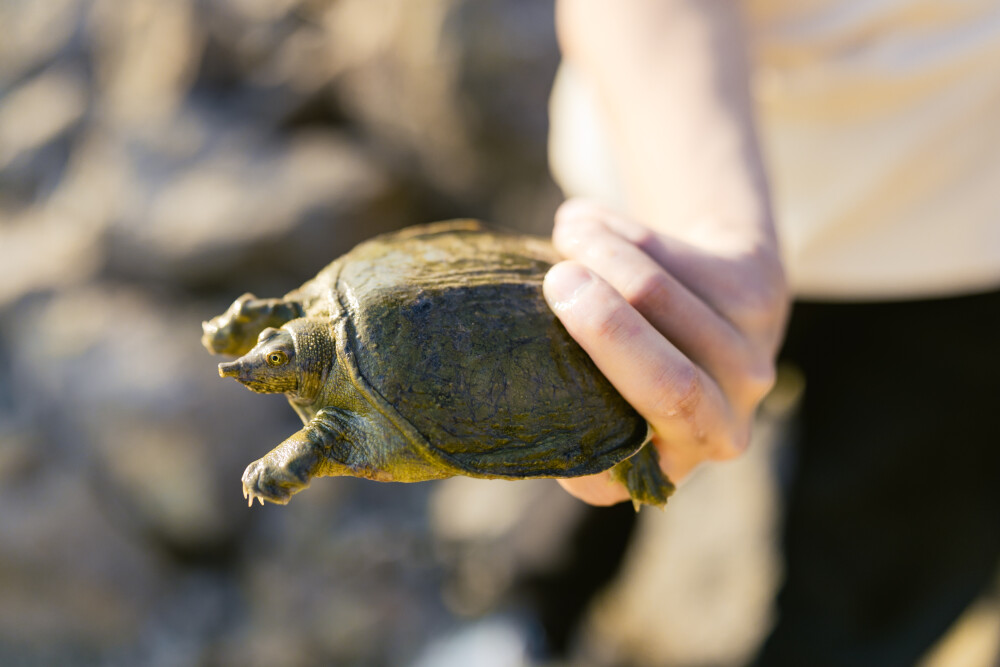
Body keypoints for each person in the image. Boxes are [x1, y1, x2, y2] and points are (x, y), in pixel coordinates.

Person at [543, 1, 1000, 665]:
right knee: (579, 481)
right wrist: (711, 230)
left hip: (969, 245)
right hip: (659, 187)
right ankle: (522, 623)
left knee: (875, 587)